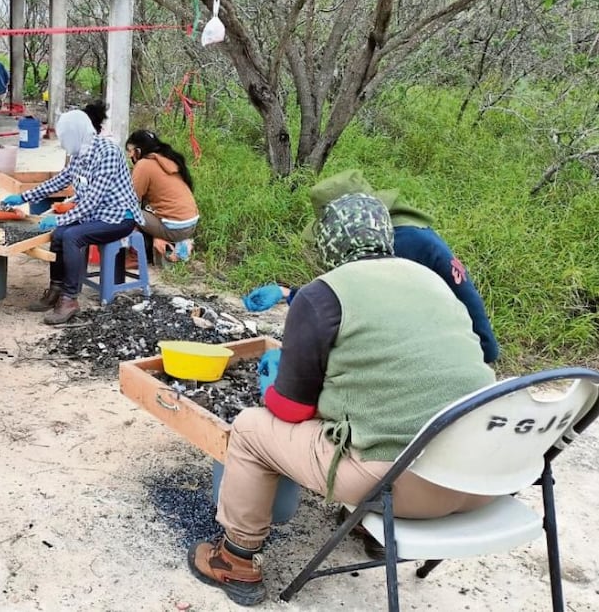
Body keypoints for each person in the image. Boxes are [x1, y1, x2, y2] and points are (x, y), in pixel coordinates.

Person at [189, 193, 496, 606]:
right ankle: (369, 530)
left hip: (402, 489)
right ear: (387, 234)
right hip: (484, 477)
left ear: (327, 246)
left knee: (248, 429)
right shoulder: (432, 282)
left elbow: (292, 409)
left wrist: (274, 388)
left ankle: (235, 559)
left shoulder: (322, 295)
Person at [301, 169, 499, 363]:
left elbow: (355, 309)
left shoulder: (396, 245)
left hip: (449, 353)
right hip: (468, 344)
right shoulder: (405, 231)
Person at [0, 110, 143, 325]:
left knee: (71, 236)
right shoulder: (80, 154)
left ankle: (69, 299)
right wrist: (23, 197)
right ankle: (56, 290)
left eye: (65, 138)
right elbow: (59, 181)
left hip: (118, 217)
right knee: (58, 235)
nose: (63, 143)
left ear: (77, 133)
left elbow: (92, 200)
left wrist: (60, 218)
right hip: (95, 215)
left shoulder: (108, 153)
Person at [125, 130, 199, 262]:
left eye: (130, 151)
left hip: (174, 226)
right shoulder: (168, 159)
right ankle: (173, 243)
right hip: (190, 223)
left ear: (138, 150)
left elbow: (130, 199)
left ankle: (134, 256)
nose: (129, 156)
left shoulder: (144, 164)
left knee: (127, 212)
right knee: (145, 208)